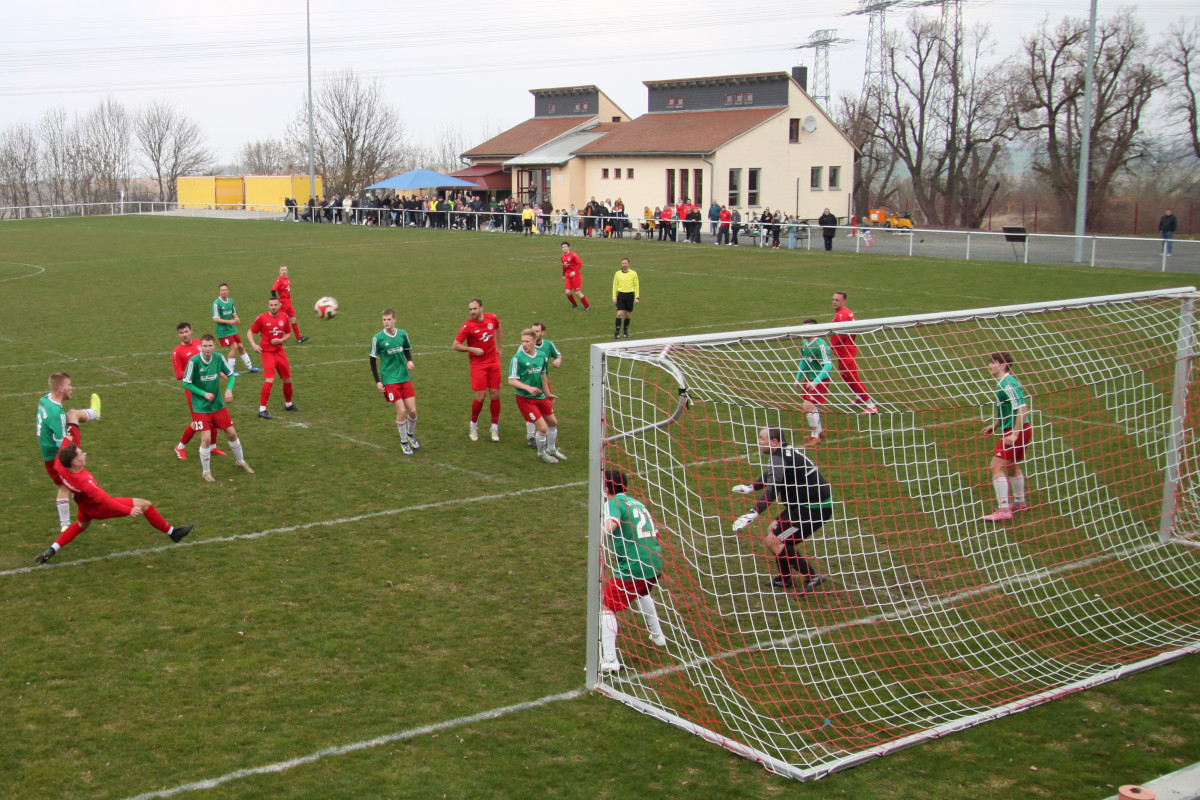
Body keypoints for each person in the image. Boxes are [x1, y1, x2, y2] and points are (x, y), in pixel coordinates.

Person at [34, 440, 195, 564]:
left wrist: (70, 431)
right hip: (97, 508)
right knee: (145, 504)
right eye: (81, 454)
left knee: (81, 525)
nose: (85, 454)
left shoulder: (60, 466)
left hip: (83, 505)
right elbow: (106, 501)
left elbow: (61, 451)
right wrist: (128, 510)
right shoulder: (85, 482)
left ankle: (51, 550)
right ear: (75, 463)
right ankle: (173, 533)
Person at [731, 427, 833, 592]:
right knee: (774, 533)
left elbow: (772, 490)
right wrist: (751, 488)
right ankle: (785, 580)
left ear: (774, 441)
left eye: (762, 438)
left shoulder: (779, 457)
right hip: (804, 505)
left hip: (813, 509)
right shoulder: (785, 453)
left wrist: (752, 514)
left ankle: (812, 576)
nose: (759, 442)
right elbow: (773, 474)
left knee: (774, 540)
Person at [598, 469, 667, 675]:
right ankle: (658, 636)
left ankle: (610, 660)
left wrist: (598, 535)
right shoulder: (637, 503)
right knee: (643, 592)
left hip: (636, 565)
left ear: (608, 487)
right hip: (655, 561)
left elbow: (612, 523)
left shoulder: (612, 504)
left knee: (607, 606)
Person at [182, 335, 255, 482]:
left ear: (214, 346)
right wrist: (204, 394)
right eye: (205, 346)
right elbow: (186, 383)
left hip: (217, 405)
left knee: (231, 433)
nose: (207, 349)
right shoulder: (194, 362)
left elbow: (231, 375)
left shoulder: (219, 358)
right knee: (207, 438)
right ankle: (206, 472)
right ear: (200, 347)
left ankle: (240, 462)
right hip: (200, 407)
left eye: (210, 346)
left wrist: (229, 390)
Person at [36, 373, 101, 531]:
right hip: (59, 453)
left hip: (47, 453)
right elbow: (63, 446)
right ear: (61, 388)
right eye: (69, 385)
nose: (72, 388)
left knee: (63, 487)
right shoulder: (57, 414)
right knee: (73, 414)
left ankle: (65, 525)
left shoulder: (45, 399)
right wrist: (76, 452)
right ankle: (95, 413)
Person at [981, 352, 1033, 522]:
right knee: (1011, 465)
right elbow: (1008, 409)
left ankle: (1003, 510)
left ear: (1002, 365)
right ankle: (1019, 502)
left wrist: (1015, 433)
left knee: (996, 466)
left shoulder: (1008, 384)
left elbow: (1022, 409)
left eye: (992, 362)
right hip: (1019, 429)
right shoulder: (1004, 383)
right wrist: (995, 425)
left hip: (1017, 430)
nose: (989, 366)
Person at [172, 322, 228, 460]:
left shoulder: (201, 344)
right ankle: (180, 447)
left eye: (186, 331)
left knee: (213, 417)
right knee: (199, 422)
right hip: (194, 391)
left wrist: (219, 371)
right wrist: (196, 372)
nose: (184, 335)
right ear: (178, 335)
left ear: (192, 331)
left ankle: (212, 447)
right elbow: (179, 375)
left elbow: (210, 362)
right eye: (181, 333)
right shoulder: (177, 351)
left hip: (209, 387)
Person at [508, 328, 565, 464]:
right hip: (525, 399)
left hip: (539, 396)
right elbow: (511, 380)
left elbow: (543, 375)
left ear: (534, 341)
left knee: (553, 423)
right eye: (522, 341)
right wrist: (528, 388)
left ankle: (552, 449)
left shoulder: (541, 356)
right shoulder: (517, 358)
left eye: (527, 341)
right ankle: (541, 453)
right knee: (543, 428)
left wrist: (547, 394)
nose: (524, 344)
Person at [453, 298, 503, 441]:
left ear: (482, 308)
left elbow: (498, 327)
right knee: (481, 396)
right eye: (470, 309)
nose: (472, 312)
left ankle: (494, 428)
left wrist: (500, 347)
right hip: (478, 365)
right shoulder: (467, 326)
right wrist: (472, 349)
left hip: (493, 362)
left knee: (495, 394)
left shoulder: (492, 318)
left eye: (474, 309)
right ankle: (473, 424)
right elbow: (455, 345)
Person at [370, 308, 419, 455]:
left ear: (394, 320)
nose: (386, 322)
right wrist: (378, 381)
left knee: (413, 410)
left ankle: (410, 434)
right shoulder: (378, 338)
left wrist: (409, 360)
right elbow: (372, 361)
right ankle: (404, 442)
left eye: (389, 319)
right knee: (402, 411)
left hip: (404, 377)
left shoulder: (403, 334)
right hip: (389, 380)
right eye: (384, 320)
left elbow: (406, 350)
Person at [247, 293, 301, 419]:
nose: (273, 307)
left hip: (280, 351)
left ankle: (288, 404)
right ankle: (261, 410)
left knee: (287, 379)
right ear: (268, 306)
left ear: (279, 306)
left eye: (275, 305)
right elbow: (250, 332)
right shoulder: (261, 318)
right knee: (270, 379)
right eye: (271, 305)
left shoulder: (284, 316)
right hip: (267, 353)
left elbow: (288, 333)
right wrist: (254, 345)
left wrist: (281, 340)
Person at [830, 292, 877, 413]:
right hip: (846, 349)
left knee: (851, 377)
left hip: (845, 351)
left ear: (844, 301)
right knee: (846, 376)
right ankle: (859, 397)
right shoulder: (845, 313)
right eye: (833, 299)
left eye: (837, 300)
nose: (834, 302)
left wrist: (833, 345)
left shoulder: (842, 315)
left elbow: (842, 333)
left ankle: (871, 406)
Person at [794, 320, 833, 446]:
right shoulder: (804, 342)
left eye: (806, 328)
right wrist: (798, 378)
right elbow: (803, 362)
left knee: (808, 406)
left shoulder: (821, 345)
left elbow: (828, 366)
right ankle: (819, 432)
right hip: (809, 379)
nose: (803, 331)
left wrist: (816, 381)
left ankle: (815, 437)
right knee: (809, 406)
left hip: (820, 379)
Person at [212, 283, 261, 376]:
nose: (224, 292)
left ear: (228, 291)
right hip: (223, 331)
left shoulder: (230, 301)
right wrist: (229, 321)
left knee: (241, 347)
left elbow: (233, 313)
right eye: (222, 290)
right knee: (234, 347)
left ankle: (250, 367)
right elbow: (215, 318)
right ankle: (230, 371)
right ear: (219, 291)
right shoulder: (216, 303)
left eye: (225, 290)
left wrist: (236, 318)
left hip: (232, 329)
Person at [526, 322, 562, 448]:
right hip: (530, 382)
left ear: (543, 333)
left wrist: (558, 360)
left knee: (547, 407)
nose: (533, 333)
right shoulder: (526, 347)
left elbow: (558, 355)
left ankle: (547, 435)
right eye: (532, 330)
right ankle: (531, 436)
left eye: (536, 331)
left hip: (544, 381)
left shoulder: (548, 345)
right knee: (532, 409)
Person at [271, 264, 309, 344]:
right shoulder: (279, 280)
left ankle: (299, 338)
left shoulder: (286, 279)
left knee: (293, 319)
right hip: (283, 302)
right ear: (279, 271)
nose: (284, 271)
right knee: (281, 320)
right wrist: (277, 301)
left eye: (285, 270)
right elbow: (273, 290)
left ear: (287, 271)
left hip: (289, 302)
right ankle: (275, 338)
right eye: (282, 270)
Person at [612, 256, 640, 340]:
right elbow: (615, 285)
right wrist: (614, 296)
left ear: (629, 264)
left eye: (625, 263)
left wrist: (637, 297)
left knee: (627, 315)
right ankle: (617, 333)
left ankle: (625, 332)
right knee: (619, 314)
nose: (624, 265)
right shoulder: (617, 273)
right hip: (621, 295)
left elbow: (636, 285)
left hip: (630, 295)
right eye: (622, 263)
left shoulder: (633, 273)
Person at [560, 242, 591, 310]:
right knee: (567, 292)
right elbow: (564, 266)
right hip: (568, 276)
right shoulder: (562, 256)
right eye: (563, 247)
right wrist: (563, 275)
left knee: (577, 292)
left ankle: (587, 305)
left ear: (569, 248)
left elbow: (580, 264)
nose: (564, 248)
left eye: (565, 247)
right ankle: (574, 304)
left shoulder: (573, 255)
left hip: (576, 276)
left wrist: (574, 272)